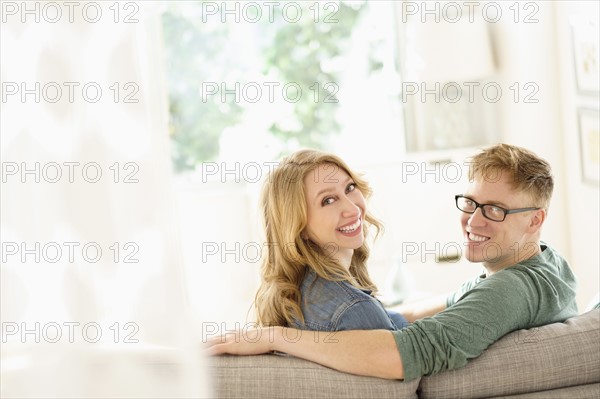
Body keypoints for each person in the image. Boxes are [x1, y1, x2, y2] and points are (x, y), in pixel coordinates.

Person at [207, 143, 577, 381]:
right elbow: (462, 299)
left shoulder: (510, 290)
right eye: (470, 202)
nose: (474, 221)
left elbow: (406, 352)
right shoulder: (552, 266)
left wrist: (275, 336)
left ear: (535, 220)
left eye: (494, 210)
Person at [254, 149, 408, 332]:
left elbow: (395, 320)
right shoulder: (354, 308)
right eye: (328, 201)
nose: (353, 209)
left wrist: (450, 302)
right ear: (298, 227)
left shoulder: (302, 293)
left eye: (349, 188)